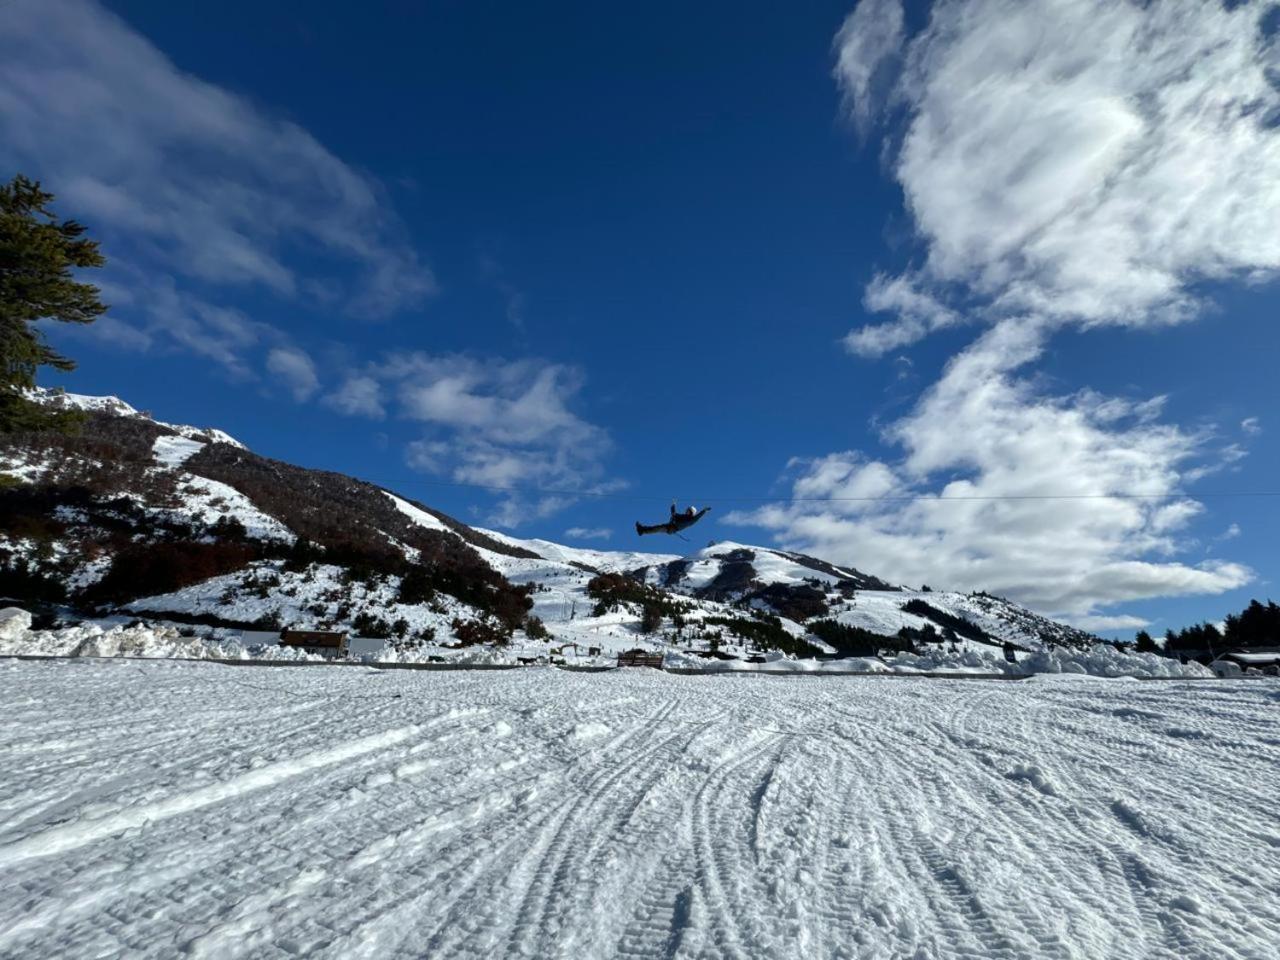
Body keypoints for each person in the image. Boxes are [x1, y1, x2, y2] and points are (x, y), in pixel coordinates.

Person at [635, 502, 710, 537]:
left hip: (672, 529)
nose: (686, 511)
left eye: (688, 511)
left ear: (691, 512)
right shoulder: (682, 516)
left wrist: (704, 510)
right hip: (670, 526)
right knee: (656, 527)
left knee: (657, 528)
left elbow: (698, 516)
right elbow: (674, 514)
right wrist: (673, 505)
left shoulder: (691, 520)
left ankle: (642, 530)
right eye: (686, 510)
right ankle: (642, 529)